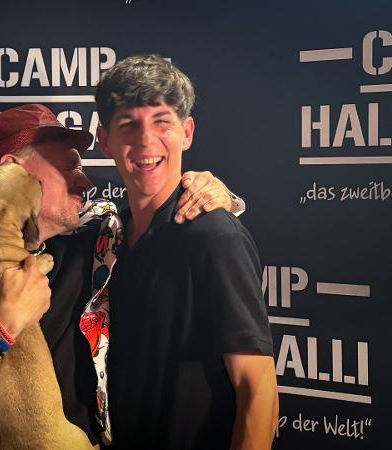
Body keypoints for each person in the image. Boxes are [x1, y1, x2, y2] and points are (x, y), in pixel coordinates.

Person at [0, 103, 243, 448]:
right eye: (69, 168)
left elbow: (172, 216)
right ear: (14, 171)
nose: (86, 181)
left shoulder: (101, 231)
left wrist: (215, 195)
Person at [97, 55, 278, 449]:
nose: (146, 140)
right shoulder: (107, 237)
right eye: (128, 124)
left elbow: (257, 388)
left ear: (187, 132)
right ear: (104, 140)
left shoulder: (215, 236)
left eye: (162, 122)